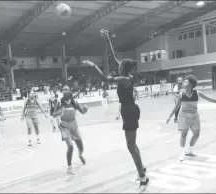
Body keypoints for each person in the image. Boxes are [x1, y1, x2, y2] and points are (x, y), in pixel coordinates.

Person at [82, 29, 149, 192]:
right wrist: (107, 39)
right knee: (133, 145)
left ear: (123, 68)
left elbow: (106, 78)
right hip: (128, 110)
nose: (117, 64)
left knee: (131, 146)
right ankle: (142, 169)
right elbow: (114, 55)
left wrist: (94, 66)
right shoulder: (125, 74)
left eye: (119, 65)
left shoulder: (125, 79)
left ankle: (144, 178)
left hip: (130, 111)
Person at [166, 75, 216, 161]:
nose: (184, 83)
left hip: (194, 116)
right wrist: (169, 116)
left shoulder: (197, 93)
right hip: (184, 115)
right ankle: (182, 153)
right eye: (184, 81)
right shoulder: (181, 94)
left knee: (196, 135)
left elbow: (210, 99)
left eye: (186, 81)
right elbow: (177, 107)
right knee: (184, 134)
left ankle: (189, 150)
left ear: (191, 84)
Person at [53, 85, 88, 175]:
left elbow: (83, 112)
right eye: (63, 90)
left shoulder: (74, 102)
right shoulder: (59, 103)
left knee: (81, 147)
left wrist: (85, 109)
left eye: (66, 89)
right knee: (70, 146)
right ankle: (69, 168)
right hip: (64, 125)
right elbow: (54, 115)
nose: (64, 91)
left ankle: (80, 155)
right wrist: (60, 111)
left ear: (70, 92)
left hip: (73, 125)